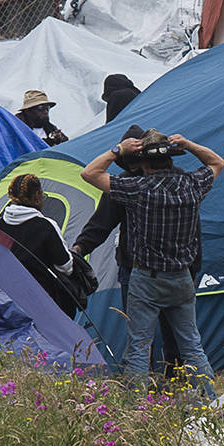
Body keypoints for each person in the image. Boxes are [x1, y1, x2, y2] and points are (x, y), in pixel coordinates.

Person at [81, 129, 224, 393]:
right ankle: (210, 400)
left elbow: (89, 173)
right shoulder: (192, 185)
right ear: (170, 160)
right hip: (182, 277)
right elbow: (217, 162)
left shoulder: (138, 189)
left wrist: (117, 150)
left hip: (146, 278)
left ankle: (138, 406)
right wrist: (188, 142)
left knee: (139, 346)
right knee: (191, 345)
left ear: (144, 164)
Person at [74, 125, 188, 374]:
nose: (136, 167)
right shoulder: (132, 182)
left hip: (154, 268)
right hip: (147, 267)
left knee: (162, 333)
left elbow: (91, 180)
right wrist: (80, 248)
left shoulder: (164, 180)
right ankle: (156, 383)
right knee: (152, 333)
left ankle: (169, 380)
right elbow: (101, 222)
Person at [0, 173, 79, 314]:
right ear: (36, 196)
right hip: (45, 302)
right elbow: (66, 267)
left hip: (10, 303)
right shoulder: (46, 226)